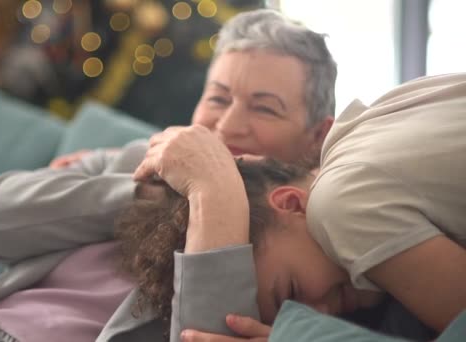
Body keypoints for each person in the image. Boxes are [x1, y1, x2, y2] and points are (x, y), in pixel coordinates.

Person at [0, 8, 337, 342]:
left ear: (317, 137)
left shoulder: (309, 239)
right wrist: (141, 191)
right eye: (217, 98)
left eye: (264, 109)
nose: (228, 126)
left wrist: (214, 193)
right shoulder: (133, 159)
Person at [133, 72, 466, 341]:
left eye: (291, 293)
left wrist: (215, 188)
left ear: (291, 203)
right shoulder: (368, 128)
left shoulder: (339, 204)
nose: (319, 315)